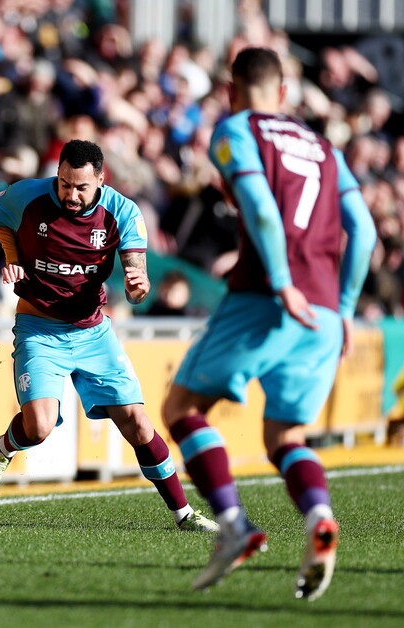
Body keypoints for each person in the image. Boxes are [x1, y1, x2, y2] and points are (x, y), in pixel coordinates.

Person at [159, 47, 376, 599]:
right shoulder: (325, 148)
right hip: (324, 311)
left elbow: (257, 204)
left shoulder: (235, 129)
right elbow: (365, 231)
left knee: (181, 408)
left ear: (233, 89)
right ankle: (318, 518)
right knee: (285, 435)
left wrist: (281, 282)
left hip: (268, 297)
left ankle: (232, 526)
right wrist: (345, 309)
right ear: (284, 93)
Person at [0, 139, 218, 533]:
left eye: (81, 187)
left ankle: (184, 514)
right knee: (39, 427)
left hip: (93, 331)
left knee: (140, 427)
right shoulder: (28, 195)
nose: (71, 194)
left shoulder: (123, 211)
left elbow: (137, 273)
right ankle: (2, 451)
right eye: (64, 183)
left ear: (100, 179)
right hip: (39, 328)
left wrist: (137, 284)